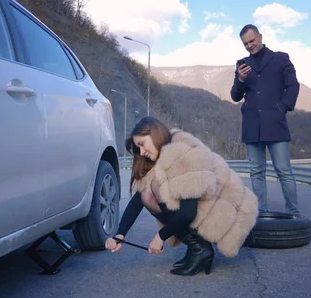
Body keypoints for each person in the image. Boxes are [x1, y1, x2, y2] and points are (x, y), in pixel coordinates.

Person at [105, 116, 258, 276]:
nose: (142, 152)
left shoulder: (181, 155)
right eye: (138, 148)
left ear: (154, 134)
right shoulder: (161, 157)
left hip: (225, 213)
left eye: (142, 144)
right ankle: (196, 248)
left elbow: (188, 212)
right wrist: (120, 234)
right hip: (204, 209)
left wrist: (160, 236)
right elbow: (138, 200)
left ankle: (201, 249)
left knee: (153, 193)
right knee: (146, 193)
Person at [230, 24, 302, 216]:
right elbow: (235, 96)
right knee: (256, 172)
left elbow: (293, 85)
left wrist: (282, 108)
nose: (249, 46)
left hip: (275, 123)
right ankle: (260, 212)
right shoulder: (242, 64)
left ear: (260, 37)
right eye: (245, 43)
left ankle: (294, 213)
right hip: (252, 126)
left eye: (252, 41)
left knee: (284, 170)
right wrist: (241, 80)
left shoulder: (280, 58)